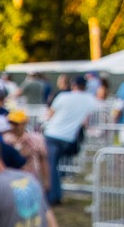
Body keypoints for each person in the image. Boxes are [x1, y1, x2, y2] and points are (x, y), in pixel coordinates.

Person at [41, 75, 98, 206]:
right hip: (70, 138)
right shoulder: (90, 100)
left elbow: (50, 114)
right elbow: (86, 120)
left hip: (53, 134)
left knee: (51, 166)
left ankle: (53, 196)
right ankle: (56, 193)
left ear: (73, 85)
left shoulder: (63, 97)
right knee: (56, 166)